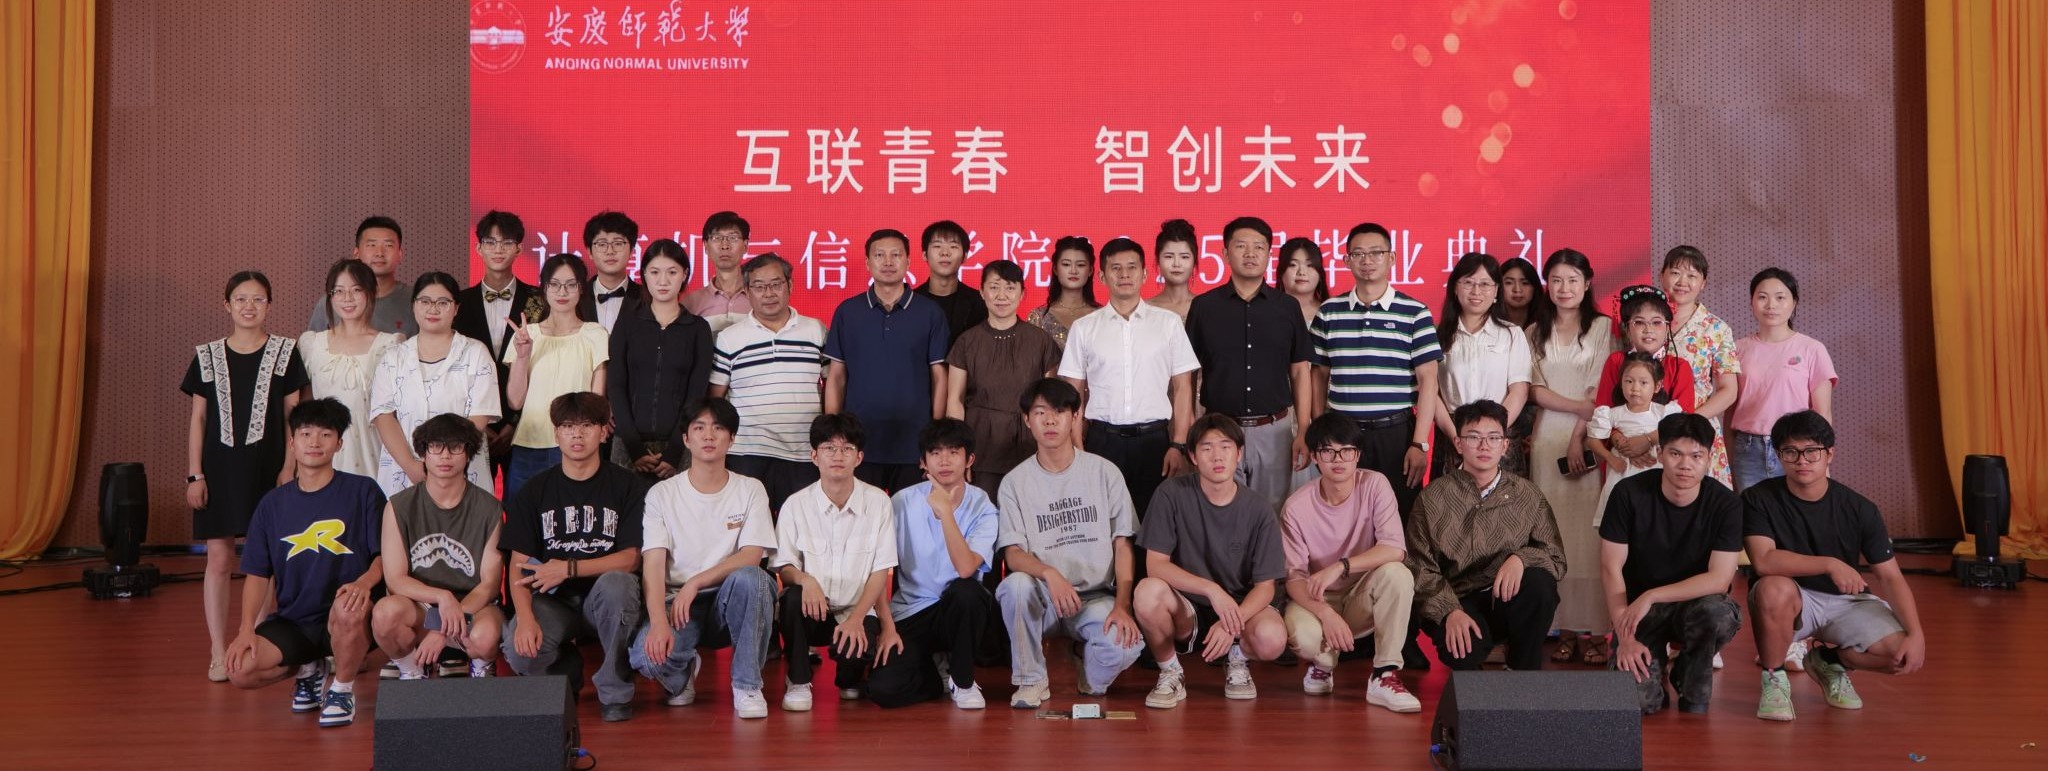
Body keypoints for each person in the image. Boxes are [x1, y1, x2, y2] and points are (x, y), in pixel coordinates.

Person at [1743, 411, 1923, 722]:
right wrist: (1829, 564)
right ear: (1779, 456)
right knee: (1772, 588)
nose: (1802, 460)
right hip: (1793, 599)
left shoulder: (1860, 508)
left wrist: (1917, 633)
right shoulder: (1758, 499)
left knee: (1898, 654)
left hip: (1846, 602)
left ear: (1830, 454)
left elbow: (1891, 577)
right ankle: (1774, 678)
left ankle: (1829, 660)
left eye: (1812, 451)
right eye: (1791, 452)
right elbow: (1764, 560)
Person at [223, 398, 385, 727]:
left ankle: (342, 689)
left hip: (348, 616)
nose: (315, 442)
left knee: (348, 606)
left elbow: (385, 556)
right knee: (240, 670)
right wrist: (245, 629)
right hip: (295, 621)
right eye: (306, 433)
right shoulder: (272, 505)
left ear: (339, 444)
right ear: (292, 442)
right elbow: (257, 574)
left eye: (325, 434)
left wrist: (364, 583)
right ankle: (310, 668)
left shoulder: (363, 491)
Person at [186, 270, 309, 682]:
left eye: (258, 299)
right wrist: (194, 475)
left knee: (265, 560)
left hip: (269, 469)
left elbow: (294, 416)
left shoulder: (285, 352)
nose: (249, 307)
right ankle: (218, 650)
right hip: (218, 470)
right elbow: (199, 419)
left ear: (269, 305)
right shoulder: (207, 356)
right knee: (220, 559)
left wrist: (290, 467)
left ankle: (254, 641)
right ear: (227, 305)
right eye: (241, 299)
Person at [995, 378, 1145, 709]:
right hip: (1044, 597)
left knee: (1125, 646)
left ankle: (1084, 661)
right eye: (1040, 413)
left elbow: (1123, 544)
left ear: (1076, 417)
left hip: (1095, 597)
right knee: (1013, 587)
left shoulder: (1105, 473)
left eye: (1060, 412)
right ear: (1027, 420)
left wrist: (1123, 605)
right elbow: (1013, 554)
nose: (1050, 421)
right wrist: (1049, 574)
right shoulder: (1014, 483)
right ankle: (1031, 680)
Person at [498, 393, 647, 722]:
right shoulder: (535, 490)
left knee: (618, 585)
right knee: (518, 651)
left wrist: (568, 568)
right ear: (556, 434)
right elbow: (518, 565)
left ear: (604, 432)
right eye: (567, 426)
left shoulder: (627, 485)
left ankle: (615, 689)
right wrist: (524, 618)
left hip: (606, 599)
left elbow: (631, 559)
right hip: (555, 602)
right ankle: (566, 670)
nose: (576, 434)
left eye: (586, 425)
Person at [632, 396, 778, 720]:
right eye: (699, 428)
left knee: (754, 579)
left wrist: (696, 582)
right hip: (679, 605)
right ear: (686, 439)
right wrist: (658, 622)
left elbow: (751, 556)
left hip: (729, 597)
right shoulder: (661, 494)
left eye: (718, 428)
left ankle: (747, 685)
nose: (709, 436)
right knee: (646, 658)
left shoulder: (750, 489)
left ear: (732, 438)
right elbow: (653, 565)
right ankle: (683, 670)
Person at [1133, 414, 1289, 708]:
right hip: (1188, 605)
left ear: (1239, 453)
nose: (1217, 456)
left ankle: (1238, 660)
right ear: (1193, 456)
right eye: (1206, 448)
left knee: (1273, 638)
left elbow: (1266, 586)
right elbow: (1156, 565)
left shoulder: (1258, 509)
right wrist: (1210, 589)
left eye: (1225, 447)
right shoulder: (1170, 494)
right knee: (1146, 592)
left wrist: (1232, 622)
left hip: (1240, 608)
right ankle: (1170, 671)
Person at [1598, 413, 1744, 715]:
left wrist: (1653, 595)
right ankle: (1653, 670)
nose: (1685, 465)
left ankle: (1688, 673)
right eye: (1676, 454)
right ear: (1660, 453)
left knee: (1718, 612)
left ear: (1709, 459)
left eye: (1696, 456)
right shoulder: (1628, 494)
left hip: (1695, 606)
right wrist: (1625, 637)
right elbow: (1611, 568)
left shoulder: (1726, 504)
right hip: (1639, 613)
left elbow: (1719, 579)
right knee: (1637, 703)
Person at [1406, 400, 1565, 672]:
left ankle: (1522, 671)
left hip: (1504, 598)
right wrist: (1449, 610)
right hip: (1456, 599)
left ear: (1505, 446)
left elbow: (1555, 557)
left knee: (1540, 584)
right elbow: (1419, 567)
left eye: (1493, 438)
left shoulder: (1527, 494)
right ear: (1458, 444)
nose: (1484, 446)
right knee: (1463, 653)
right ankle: (1473, 677)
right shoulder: (1433, 498)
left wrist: (1521, 558)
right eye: (1474, 437)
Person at [1280, 412, 1420, 712]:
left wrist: (1340, 566)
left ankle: (1384, 675)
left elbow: (1395, 548)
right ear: (1315, 457)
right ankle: (1322, 665)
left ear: (1357, 455)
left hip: (1362, 594)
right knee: (1302, 636)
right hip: (1317, 599)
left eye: (1346, 451)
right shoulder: (1295, 507)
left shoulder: (1375, 485)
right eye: (1328, 451)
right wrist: (1325, 613)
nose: (1338, 459)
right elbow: (1294, 577)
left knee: (1398, 574)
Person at [1060, 236, 1198, 521]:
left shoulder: (1168, 323)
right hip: (1102, 441)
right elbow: (1073, 394)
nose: (1124, 275)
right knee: (1103, 523)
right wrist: (1076, 446)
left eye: (1132, 267)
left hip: (1155, 442)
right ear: (1101, 276)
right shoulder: (1084, 328)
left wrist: (1178, 444)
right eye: (1116, 268)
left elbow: (1183, 387)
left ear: (1145, 274)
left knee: (1154, 524)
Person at [1523, 250, 1617, 664]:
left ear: (1587, 282)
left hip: (1590, 437)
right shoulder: (1533, 331)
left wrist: (1580, 434)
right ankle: (1562, 627)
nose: (1564, 288)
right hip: (1546, 439)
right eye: (1557, 280)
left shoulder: (1603, 327)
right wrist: (1578, 407)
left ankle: (1595, 630)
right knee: (1553, 533)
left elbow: (1601, 388)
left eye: (1573, 279)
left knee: (1589, 535)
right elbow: (1533, 389)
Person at [865, 418, 1000, 709]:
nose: (944, 461)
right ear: (923, 463)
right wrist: (886, 626)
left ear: (969, 459)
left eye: (953, 452)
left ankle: (963, 681)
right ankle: (936, 676)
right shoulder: (900, 502)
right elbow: (876, 567)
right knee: (883, 689)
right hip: (911, 610)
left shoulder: (983, 506)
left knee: (968, 591)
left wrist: (946, 513)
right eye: (935, 453)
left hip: (957, 610)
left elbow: (966, 568)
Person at [1310, 222, 1441, 519]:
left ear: (1391, 258)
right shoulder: (1329, 312)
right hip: (1342, 434)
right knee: (1344, 515)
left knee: (1399, 514)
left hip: (1395, 434)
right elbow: (1319, 375)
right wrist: (1320, 431)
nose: (1367, 260)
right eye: (1358, 254)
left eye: (1375, 253)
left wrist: (1419, 443)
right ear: (1346, 261)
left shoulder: (1415, 313)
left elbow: (1429, 382)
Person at [1185, 216, 1315, 513]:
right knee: (1219, 512)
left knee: (1271, 514)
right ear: (1224, 253)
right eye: (1241, 246)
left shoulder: (1287, 307)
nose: (1250, 253)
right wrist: (1190, 427)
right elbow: (1188, 374)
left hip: (1274, 431)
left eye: (1259, 247)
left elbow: (1299, 371)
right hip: (1218, 430)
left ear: (1269, 254)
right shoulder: (1204, 307)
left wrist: (1303, 430)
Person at [773, 414, 899, 709]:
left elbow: (880, 571)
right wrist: (805, 580)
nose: (838, 456)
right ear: (814, 456)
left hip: (857, 610)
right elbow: (784, 565)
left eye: (847, 448)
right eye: (829, 448)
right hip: (814, 610)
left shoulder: (878, 502)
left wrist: (857, 619)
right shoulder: (795, 505)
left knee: (853, 684)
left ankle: (849, 676)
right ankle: (798, 680)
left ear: (859, 457)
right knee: (791, 599)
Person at [369, 415, 506, 680]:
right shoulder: (398, 506)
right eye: (435, 447)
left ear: (468, 453)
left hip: (472, 605)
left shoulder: (489, 508)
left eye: (455, 447)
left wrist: (443, 628)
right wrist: (442, 597)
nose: (445, 455)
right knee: (385, 614)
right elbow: (395, 579)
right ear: (423, 453)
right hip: (420, 606)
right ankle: (412, 670)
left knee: (486, 635)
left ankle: (481, 668)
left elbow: (489, 585)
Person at [823, 229, 949, 493]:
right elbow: (836, 376)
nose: (888, 262)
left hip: (914, 443)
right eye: (880, 255)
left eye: (896, 255)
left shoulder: (930, 313)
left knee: (912, 515)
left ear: (908, 261)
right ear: (867, 262)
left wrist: (936, 438)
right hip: (859, 442)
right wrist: (833, 435)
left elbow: (939, 376)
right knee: (862, 515)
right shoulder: (848, 312)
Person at [711, 253, 826, 514]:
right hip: (747, 452)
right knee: (746, 527)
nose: (768, 293)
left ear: (790, 285)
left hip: (803, 451)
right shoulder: (729, 338)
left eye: (776, 284)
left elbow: (833, 385)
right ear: (746, 291)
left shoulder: (816, 331)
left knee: (800, 528)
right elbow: (716, 399)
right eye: (759, 286)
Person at [369, 272, 502, 497]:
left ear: (456, 308)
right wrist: (412, 466)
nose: (433, 309)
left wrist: (445, 462)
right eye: (425, 301)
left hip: (463, 471)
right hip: (405, 473)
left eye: (443, 302)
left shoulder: (475, 353)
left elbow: (479, 416)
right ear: (413, 305)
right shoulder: (393, 357)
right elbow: (383, 416)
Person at [945, 259, 1063, 500]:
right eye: (994, 287)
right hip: (981, 444)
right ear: (982, 292)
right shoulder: (967, 341)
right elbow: (955, 400)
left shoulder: (1040, 340)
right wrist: (959, 452)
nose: (1002, 295)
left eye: (1010, 288)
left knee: (1031, 511)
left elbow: (1051, 402)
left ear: (1022, 294)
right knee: (984, 513)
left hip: (1030, 444)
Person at [503, 254, 609, 499]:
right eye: (554, 284)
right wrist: (522, 356)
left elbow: (597, 401)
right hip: (530, 444)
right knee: (523, 516)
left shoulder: (595, 334)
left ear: (581, 288)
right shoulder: (526, 334)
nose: (562, 292)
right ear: (544, 288)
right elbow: (515, 401)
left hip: (577, 445)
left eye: (570, 284)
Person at [607, 239, 714, 480]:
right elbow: (616, 386)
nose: (663, 281)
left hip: (681, 444)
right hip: (628, 445)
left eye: (672, 272)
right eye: (655, 272)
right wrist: (634, 448)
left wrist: (675, 450)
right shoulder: (627, 324)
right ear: (644, 274)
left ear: (684, 274)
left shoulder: (697, 329)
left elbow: (696, 393)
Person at [1729, 268, 1837, 492]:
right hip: (1748, 450)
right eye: (1762, 297)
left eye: (1780, 297)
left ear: (1794, 302)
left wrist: (1821, 460)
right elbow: (1730, 409)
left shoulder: (1812, 349)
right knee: (1752, 510)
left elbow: (1823, 414)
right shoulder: (1736, 349)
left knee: (1797, 509)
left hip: (1797, 449)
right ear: (1751, 303)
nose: (1771, 305)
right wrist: (1729, 456)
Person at [455, 210, 540, 481]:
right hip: (473, 424)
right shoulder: (458, 303)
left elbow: (543, 367)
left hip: (528, 424)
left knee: (526, 500)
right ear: (478, 248)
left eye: (506, 242)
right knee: (475, 500)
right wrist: (480, 424)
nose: (498, 249)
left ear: (519, 248)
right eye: (490, 242)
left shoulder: (539, 301)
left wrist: (515, 422)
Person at [1431, 252, 1532, 479]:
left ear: (1496, 291)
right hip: (1452, 434)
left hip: (1500, 436)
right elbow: (1431, 392)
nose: (1476, 291)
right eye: (1468, 283)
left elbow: (1519, 391)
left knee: (1503, 500)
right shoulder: (1437, 335)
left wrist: (1493, 434)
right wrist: (1457, 436)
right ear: (1455, 288)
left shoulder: (1512, 334)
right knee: (1452, 499)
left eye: (1485, 284)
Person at [299, 260, 401, 478]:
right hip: (321, 450)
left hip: (372, 448)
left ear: (371, 292)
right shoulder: (312, 344)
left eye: (356, 290)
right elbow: (303, 406)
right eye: (339, 291)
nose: (347, 298)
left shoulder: (389, 345)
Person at [1659, 246, 1740, 488]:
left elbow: (1729, 390)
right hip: (1648, 427)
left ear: (1703, 283)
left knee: (1704, 501)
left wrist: (1690, 421)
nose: (1682, 282)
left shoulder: (1716, 328)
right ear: (1662, 276)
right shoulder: (1644, 320)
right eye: (1675, 273)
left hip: (1698, 429)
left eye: (1692, 276)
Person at [1589, 353, 1686, 525]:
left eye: (1643, 383)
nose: (1635, 388)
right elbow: (1593, 440)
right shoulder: (1611, 414)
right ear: (1621, 383)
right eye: (1629, 381)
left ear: (1657, 386)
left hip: (1655, 471)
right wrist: (1610, 458)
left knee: (1653, 518)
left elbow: (1678, 439)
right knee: (1621, 519)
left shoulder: (1663, 413)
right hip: (1622, 472)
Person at [307, 216, 416, 337]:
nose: (379, 253)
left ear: (400, 254)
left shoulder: (416, 301)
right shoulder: (333, 301)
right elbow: (313, 347)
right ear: (356, 253)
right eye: (371, 245)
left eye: (388, 245)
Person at [915, 220, 987, 344]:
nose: (945, 253)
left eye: (953, 247)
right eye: (937, 246)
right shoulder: (910, 302)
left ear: (965, 256)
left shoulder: (980, 303)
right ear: (924, 255)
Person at [683, 211, 754, 333]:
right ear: (706, 246)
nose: (725, 245)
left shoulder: (760, 296)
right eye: (717, 238)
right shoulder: (691, 303)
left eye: (733, 238)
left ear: (745, 245)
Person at [1025, 236, 1101, 348]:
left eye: (1080, 265)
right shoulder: (1039, 318)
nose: (1073, 271)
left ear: (1090, 270)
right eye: (1066, 264)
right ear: (1055, 269)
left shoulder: (1102, 316)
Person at [579, 210, 648, 333]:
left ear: (632, 250)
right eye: (602, 244)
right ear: (589, 252)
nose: (610, 251)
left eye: (618, 243)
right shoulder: (577, 298)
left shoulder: (648, 298)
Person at [1149, 219, 1199, 321]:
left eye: (1184, 257)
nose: (1176, 264)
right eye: (1169, 256)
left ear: (1194, 261)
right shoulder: (1146, 309)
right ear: (1157, 260)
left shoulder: (1207, 307)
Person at [1277, 236, 1331, 329]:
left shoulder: (1332, 313)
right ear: (1281, 272)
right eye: (1293, 265)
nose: (1301, 272)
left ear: (1320, 273)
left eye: (1310, 265)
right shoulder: (1267, 311)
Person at [1498, 257, 1541, 327]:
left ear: (1535, 287)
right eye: (1509, 283)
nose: (1517, 290)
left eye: (1525, 283)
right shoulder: (1488, 323)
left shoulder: (1546, 324)